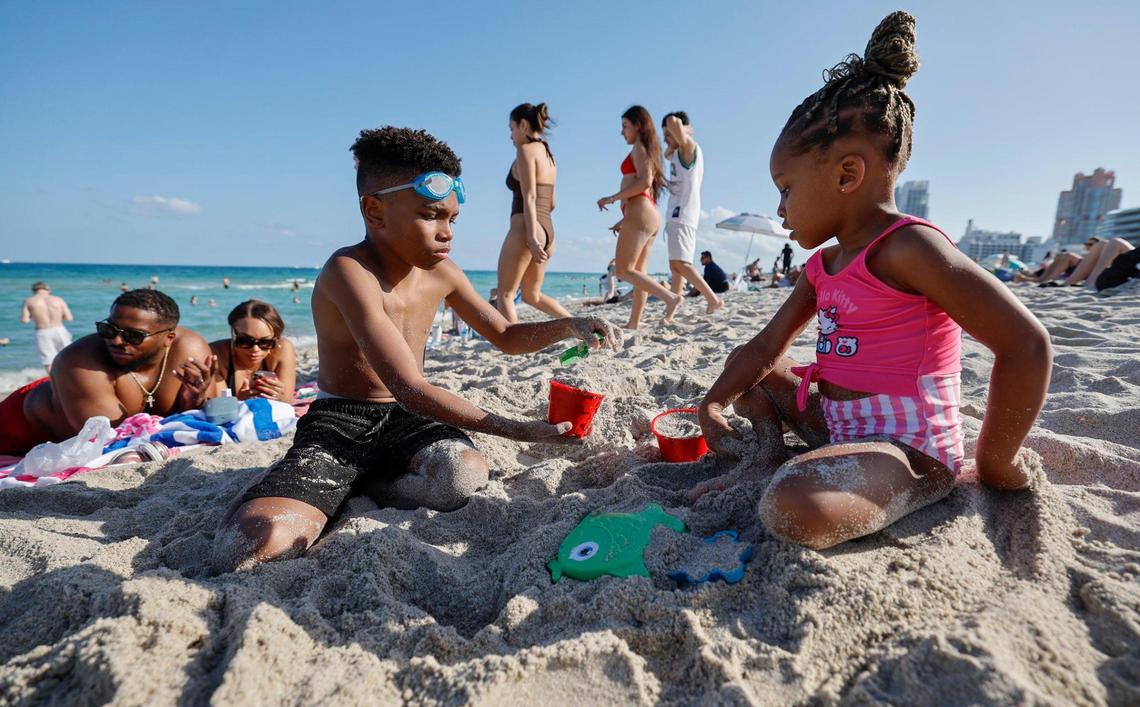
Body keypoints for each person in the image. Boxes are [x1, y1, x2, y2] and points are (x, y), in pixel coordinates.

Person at [691, 12, 1052, 550]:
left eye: (786, 188)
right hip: (836, 422)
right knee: (755, 371)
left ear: (847, 175)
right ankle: (767, 456)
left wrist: (995, 461)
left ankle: (821, 474)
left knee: (793, 506)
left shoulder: (910, 248)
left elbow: (1025, 344)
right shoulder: (822, 265)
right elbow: (768, 345)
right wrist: (713, 404)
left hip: (908, 446)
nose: (780, 207)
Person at [212, 126, 621, 572]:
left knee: (463, 477)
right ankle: (299, 485)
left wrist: (569, 326)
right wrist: (519, 430)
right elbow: (409, 385)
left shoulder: (444, 273)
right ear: (374, 211)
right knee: (252, 546)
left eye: (452, 219)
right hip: (341, 420)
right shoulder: (349, 271)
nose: (447, 233)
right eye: (430, 216)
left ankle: (365, 484)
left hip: (407, 419)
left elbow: (505, 336)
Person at [0, 290, 215, 456]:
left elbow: (205, 418)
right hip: (15, 428)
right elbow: (108, 440)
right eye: (108, 329)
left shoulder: (190, 351)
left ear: (168, 338)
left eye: (134, 335)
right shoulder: (77, 362)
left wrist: (194, 399)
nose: (117, 341)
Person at [597, 106, 681, 329]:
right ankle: (634, 322)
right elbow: (646, 189)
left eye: (625, 126)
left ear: (638, 126)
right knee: (638, 272)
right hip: (644, 213)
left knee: (624, 270)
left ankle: (671, 298)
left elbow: (644, 182)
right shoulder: (647, 150)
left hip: (641, 212)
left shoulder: (639, 148)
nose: (622, 132)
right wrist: (625, 220)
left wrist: (612, 198)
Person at [495, 103, 572, 323]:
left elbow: (529, 196)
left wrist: (530, 237)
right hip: (548, 229)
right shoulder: (549, 156)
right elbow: (552, 203)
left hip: (527, 229)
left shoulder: (525, 151)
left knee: (506, 295)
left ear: (523, 125)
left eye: (511, 129)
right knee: (532, 295)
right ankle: (583, 328)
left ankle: (513, 349)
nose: (511, 136)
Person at [661, 111, 722, 314]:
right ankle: (672, 309)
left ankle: (713, 299)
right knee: (675, 267)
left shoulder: (688, 147)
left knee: (681, 264)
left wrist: (683, 131)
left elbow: (672, 121)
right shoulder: (677, 153)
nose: (666, 139)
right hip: (677, 213)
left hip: (683, 213)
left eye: (668, 134)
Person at [208, 299, 297, 402]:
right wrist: (240, 402)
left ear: (276, 339)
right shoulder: (216, 356)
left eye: (265, 342)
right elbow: (219, 409)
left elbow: (287, 400)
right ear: (233, 334)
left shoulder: (281, 350)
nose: (255, 349)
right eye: (245, 341)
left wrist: (279, 397)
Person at [21, 282, 73, 372]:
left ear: (34, 290)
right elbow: (69, 318)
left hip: (42, 332)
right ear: (48, 290)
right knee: (68, 357)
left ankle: (54, 384)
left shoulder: (29, 301)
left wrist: (33, 315)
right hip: (59, 330)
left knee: (48, 362)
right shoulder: (58, 299)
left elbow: (25, 320)